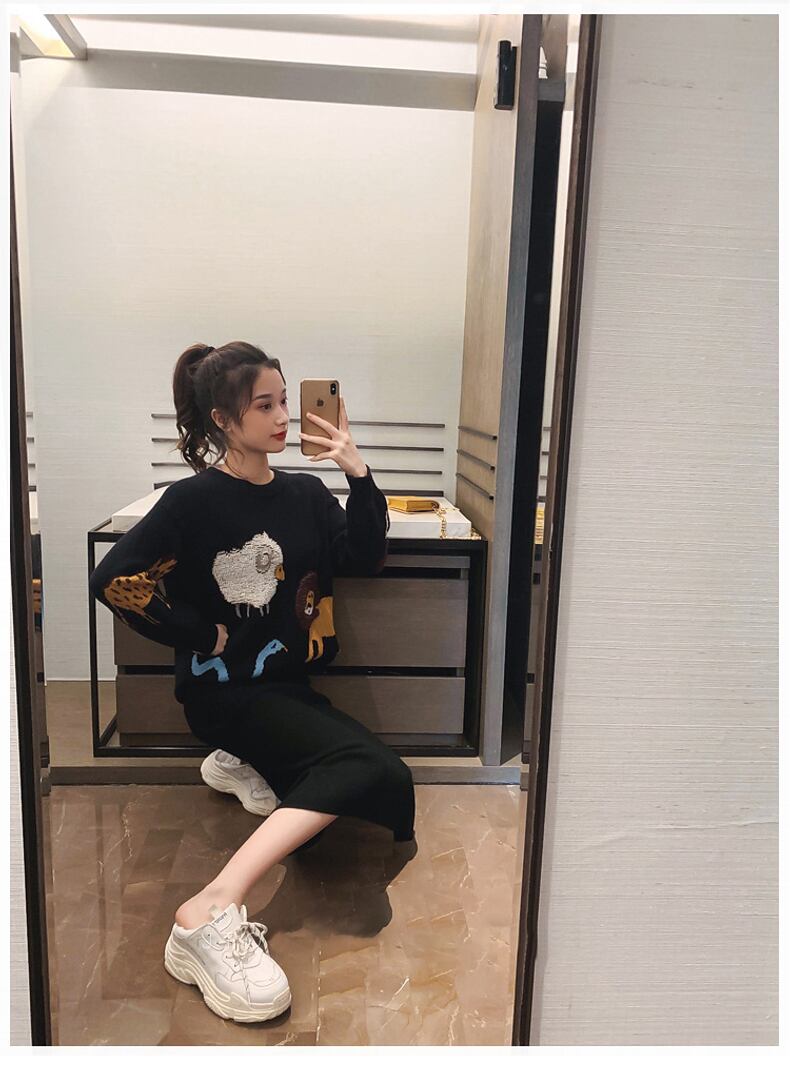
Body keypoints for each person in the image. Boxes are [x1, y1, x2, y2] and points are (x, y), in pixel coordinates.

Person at [88, 341, 416, 1022]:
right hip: (222, 694)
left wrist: (357, 473)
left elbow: (364, 556)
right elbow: (114, 579)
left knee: (366, 798)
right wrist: (197, 635)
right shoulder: (191, 501)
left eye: (285, 401)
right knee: (368, 768)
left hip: (286, 687)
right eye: (263, 405)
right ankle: (210, 908)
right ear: (222, 419)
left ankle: (241, 763)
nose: (283, 417)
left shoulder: (306, 494)